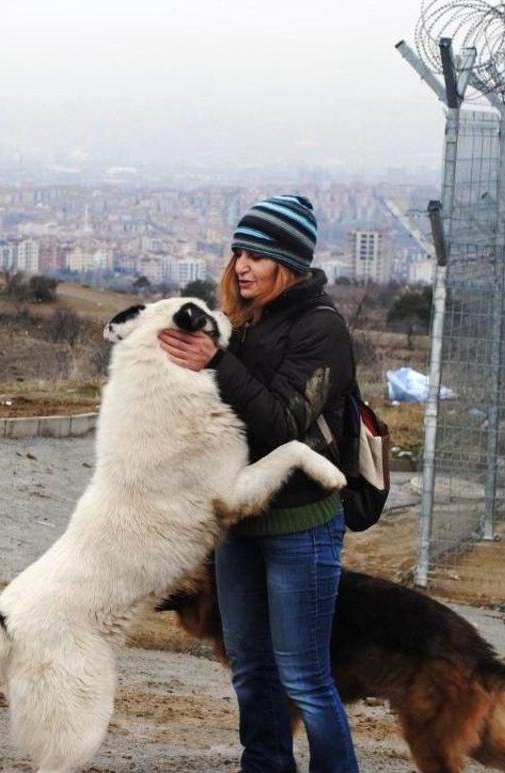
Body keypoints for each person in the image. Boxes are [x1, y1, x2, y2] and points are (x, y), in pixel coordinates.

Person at [158, 195, 358, 772]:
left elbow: (281, 424)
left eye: (260, 255)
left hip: (302, 527)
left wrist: (216, 360)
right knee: (250, 669)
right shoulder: (243, 323)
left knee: (304, 677)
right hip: (238, 525)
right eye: (239, 251)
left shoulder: (322, 330)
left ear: (288, 263)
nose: (243, 265)